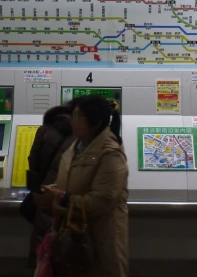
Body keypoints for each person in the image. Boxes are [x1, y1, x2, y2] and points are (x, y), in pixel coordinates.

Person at [38, 95, 128, 277]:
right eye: (73, 115)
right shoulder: (77, 146)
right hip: (72, 235)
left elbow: (102, 200)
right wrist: (51, 190)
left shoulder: (110, 154)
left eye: (79, 116)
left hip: (100, 240)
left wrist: (60, 197)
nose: (72, 120)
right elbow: (74, 182)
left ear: (96, 123)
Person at [26, 103, 75, 269]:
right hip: (68, 197)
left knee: (43, 242)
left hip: (45, 194)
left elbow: (33, 162)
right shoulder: (81, 135)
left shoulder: (45, 130)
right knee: (66, 246)